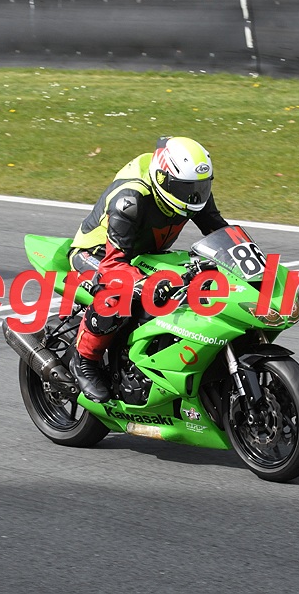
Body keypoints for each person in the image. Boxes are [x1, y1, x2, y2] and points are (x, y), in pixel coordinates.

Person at [68, 136, 230, 403]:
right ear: (163, 179)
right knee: (118, 293)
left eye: (202, 186)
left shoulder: (190, 192)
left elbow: (218, 230)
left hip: (144, 253)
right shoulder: (131, 199)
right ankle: (84, 360)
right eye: (187, 188)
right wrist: (144, 283)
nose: (195, 195)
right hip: (98, 254)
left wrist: (250, 261)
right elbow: (112, 265)